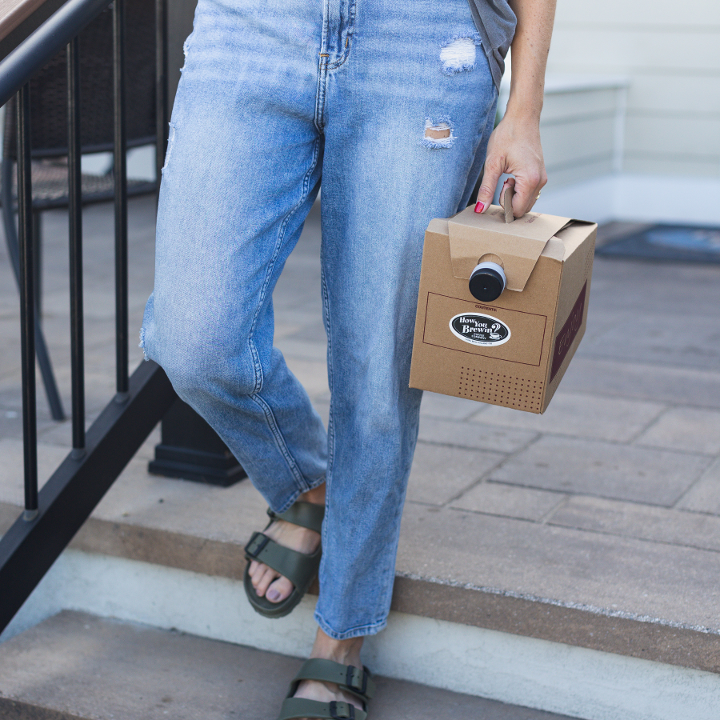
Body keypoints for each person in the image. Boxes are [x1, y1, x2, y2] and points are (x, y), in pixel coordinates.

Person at [140, 0, 556, 717]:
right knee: (193, 338)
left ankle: (342, 636)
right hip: (253, 26)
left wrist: (523, 109)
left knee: (376, 372)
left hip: (420, 38)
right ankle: (308, 484)